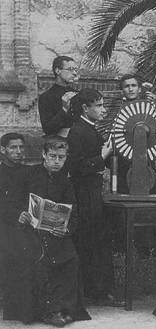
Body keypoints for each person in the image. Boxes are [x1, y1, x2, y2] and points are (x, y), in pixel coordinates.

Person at [3, 136, 91, 326]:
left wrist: (65, 229)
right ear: (43, 155)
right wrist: (21, 214)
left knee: (70, 257)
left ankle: (64, 309)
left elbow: (74, 213)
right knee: (38, 257)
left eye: (61, 157)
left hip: (55, 233)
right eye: (52, 156)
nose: (56, 161)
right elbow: (11, 203)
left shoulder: (66, 182)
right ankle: (46, 311)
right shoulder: (28, 175)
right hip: (29, 232)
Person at [66, 88, 121, 306]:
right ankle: (93, 291)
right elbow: (77, 167)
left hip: (93, 190)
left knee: (96, 240)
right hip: (84, 192)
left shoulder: (90, 129)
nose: (102, 109)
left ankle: (97, 290)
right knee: (89, 240)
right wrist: (103, 156)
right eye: (98, 105)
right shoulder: (78, 131)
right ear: (84, 108)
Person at [113, 74, 156, 194]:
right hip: (125, 161)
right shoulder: (118, 110)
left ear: (139, 89)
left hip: (148, 158)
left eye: (133, 85)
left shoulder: (148, 106)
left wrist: (154, 105)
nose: (130, 89)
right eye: (127, 86)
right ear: (122, 90)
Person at [0, 133, 26, 312]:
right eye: (13, 148)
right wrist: (16, 216)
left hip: (25, 223)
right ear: (3, 150)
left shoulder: (28, 172)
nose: (18, 152)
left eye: (21, 147)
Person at [38, 56, 79, 137]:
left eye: (75, 70)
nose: (74, 73)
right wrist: (64, 109)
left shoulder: (78, 94)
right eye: (70, 69)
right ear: (58, 71)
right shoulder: (46, 97)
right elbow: (48, 129)